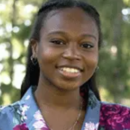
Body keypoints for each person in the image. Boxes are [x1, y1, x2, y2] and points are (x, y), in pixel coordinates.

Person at [0, 0, 130, 130]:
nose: (72, 54)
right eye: (58, 42)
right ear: (35, 48)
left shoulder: (125, 122)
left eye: (86, 45)